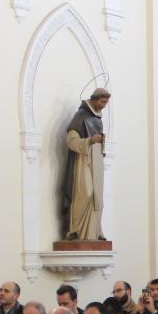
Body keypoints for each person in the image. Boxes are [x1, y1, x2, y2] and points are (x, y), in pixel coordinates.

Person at [59, 87, 108, 240]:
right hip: (83, 160)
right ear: (94, 99)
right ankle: (75, 230)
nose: (103, 106)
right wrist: (90, 141)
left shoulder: (98, 119)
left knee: (98, 197)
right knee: (86, 193)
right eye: (102, 102)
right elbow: (71, 141)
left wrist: (101, 146)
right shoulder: (80, 116)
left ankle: (96, 231)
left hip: (97, 160)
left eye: (106, 103)